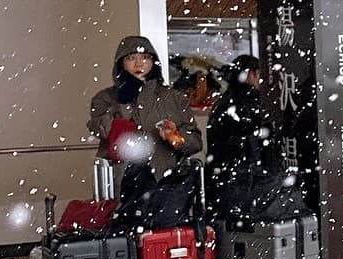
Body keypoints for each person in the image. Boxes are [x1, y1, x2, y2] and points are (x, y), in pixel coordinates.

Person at [87, 34, 200, 180]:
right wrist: (125, 98)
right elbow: (100, 129)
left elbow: (196, 142)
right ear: (121, 63)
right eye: (131, 58)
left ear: (153, 61)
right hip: (123, 182)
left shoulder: (174, 97)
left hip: (168, 181)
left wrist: (177, 138)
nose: (139, 64)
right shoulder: (105, 98)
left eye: (145, 57)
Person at [205, 55, 281, 190]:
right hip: (249, 178)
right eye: (259, 74)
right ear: (251, 74)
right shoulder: (252, 103)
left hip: (225, 177)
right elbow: (256, 143)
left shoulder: (223, 102)